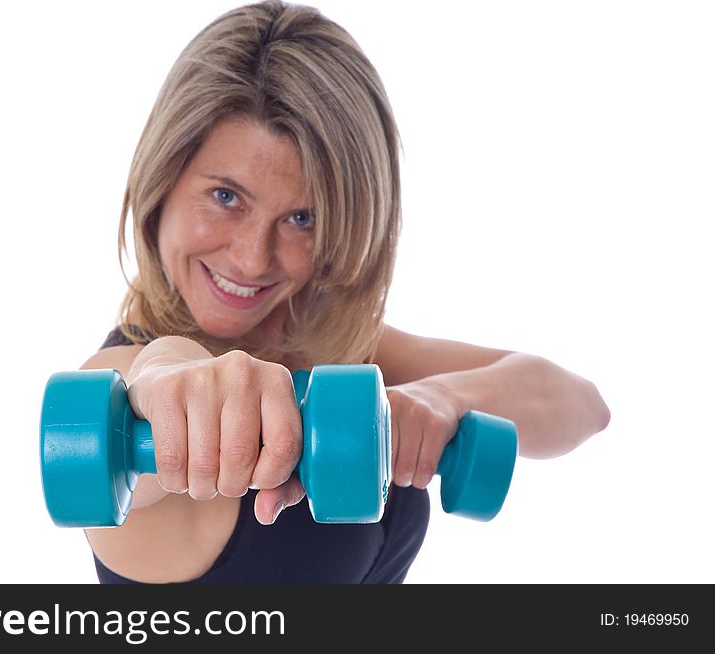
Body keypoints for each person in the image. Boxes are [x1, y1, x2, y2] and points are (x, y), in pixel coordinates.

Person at [76, 0, 611, 584]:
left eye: (301, 218)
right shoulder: (122, 390)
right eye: (226, 197)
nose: (254, 257)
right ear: (163, 183)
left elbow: (582, 405)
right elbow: (144, 381)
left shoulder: (324, 345)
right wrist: (172, 387)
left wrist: (442, 400)